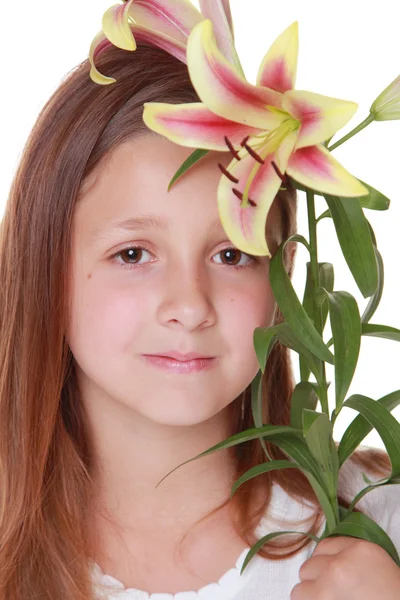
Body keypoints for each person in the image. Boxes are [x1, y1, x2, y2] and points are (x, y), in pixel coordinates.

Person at [0, 39, 399, 600]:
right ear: (44, 266)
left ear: (284, 275)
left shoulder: (382, 521)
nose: (189, 306)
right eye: (134, 254)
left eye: (232, 254)